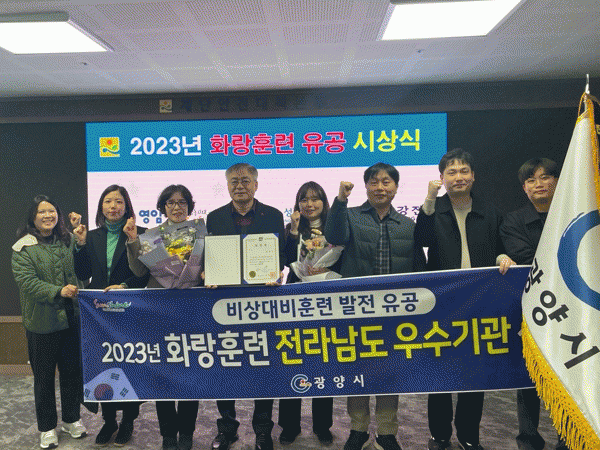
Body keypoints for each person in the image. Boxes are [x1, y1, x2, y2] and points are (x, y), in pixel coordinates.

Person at [414, 148, 515, 450]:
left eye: (464, 171)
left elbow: (500, 246)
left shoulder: (490, 211)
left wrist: (503, 257)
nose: (458, 177)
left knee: (475, 371)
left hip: (480, 300)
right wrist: (429, 200)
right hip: (442, 302)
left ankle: (469, 435)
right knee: (441, 371)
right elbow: (422, 240)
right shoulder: (434, 210)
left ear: (473, 175)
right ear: (442, 177)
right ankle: (440, 435)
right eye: (452, 172)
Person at [324, 162, 426, 450]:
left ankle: (387, 431)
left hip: (394, 312)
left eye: (386, 182)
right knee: (358, 368)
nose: (380, 187)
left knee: (389, 371)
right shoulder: (351, 216)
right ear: (366, 186)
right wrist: (340, 200)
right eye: (374, 182)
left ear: (396, 187)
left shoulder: (407, 224)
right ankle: (358, 429)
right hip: (357, 309)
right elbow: (334, 237)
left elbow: (418, 267)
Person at [206, 162, 286, 450]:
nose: (239, 186)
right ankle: (227, 429)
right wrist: (209, 274)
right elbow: (209, 258)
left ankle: (263, 430)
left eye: (245, 181)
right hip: (224, 304)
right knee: (225, 367)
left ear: (256, 185)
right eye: (234, 181)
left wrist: (276, 272)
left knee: (263, 367)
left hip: (261, 303)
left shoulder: (274, 216)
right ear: (227, 185)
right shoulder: (214, 218)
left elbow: (281, 256)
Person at [70, 185, 148, 447]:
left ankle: (128, 421)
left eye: (119, 201)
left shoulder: (141, 233)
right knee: (103, 365)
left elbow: (145, 274)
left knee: (128, 365)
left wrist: (124, 286)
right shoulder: (91, 236)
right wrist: (80, 245)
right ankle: (109, 420)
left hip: (130, 310)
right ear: (101, 206)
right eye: (108, 201)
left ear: (127, 206)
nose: (113, 206)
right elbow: (84, 273)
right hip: (99, 314)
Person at [125, 184, 201, 450]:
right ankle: (168, 434)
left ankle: (187, 433)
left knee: (191, 373)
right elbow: (138, 272)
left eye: (182, 202)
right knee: (163, 373)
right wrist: (133, 240)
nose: (177, 207)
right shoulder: (151, 236)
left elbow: (209, 267)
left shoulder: (201, 233)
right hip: (159, 311)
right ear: (163, 207)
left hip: (191, 310)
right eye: (171, 203)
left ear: (189, 206)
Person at [499, 158, 568, 450]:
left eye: (545, 177)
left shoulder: (574, 213)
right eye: (531, 180)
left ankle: (569, 437)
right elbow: (526, 257)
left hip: (573, 308)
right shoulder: (513, 221)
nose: (539, 184)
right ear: (524, 188)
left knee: (569, 374)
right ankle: (528, 439)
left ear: (558, 180)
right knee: (529, 376)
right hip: (532, 307)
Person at [11, 195, 87, 449]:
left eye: (52, 211)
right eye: (42, 212)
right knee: (43, 378)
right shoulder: (23, 247)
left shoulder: (67, 240)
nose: (47, 216)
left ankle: (72, 419)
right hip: (41, 322)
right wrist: (58, 291)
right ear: (33, 217)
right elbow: (28, 282)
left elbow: (81, 268)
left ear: (58, 215)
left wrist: (79, 241)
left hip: (71, 319)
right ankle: (46, 427)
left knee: (72, 373)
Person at [278, 181, 335, 446]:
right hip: (294, 302)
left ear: (324, 202)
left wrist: (324, 271)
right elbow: (283, 261)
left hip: (325, 302)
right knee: (292, 362)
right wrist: (292, 230)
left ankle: (323, 426)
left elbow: (343, 257)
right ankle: (289, 425)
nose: (309, 204)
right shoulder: (291, 228)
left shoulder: (335, 228)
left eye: (315, 199)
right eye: (304, 199)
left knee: (323, 363)